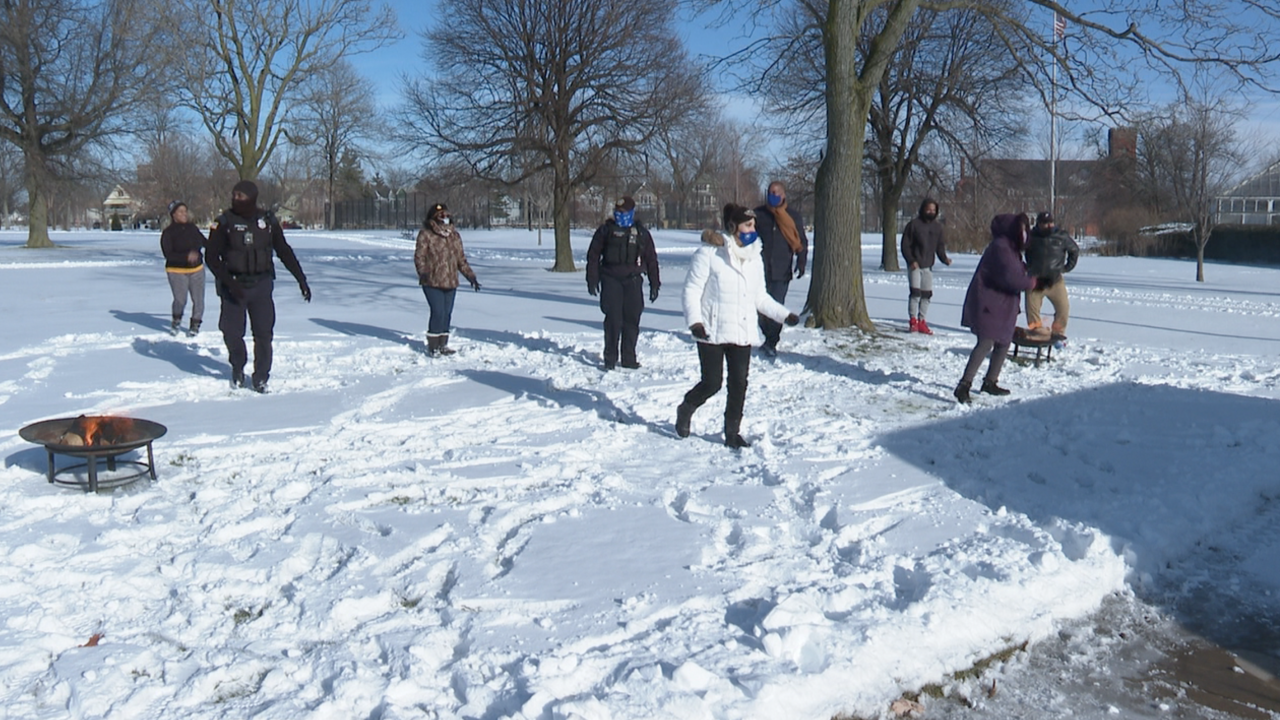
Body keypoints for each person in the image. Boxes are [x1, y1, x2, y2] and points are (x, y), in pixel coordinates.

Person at [676, 204, 799, 448]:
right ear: (733, 227)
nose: (753, 229)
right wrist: (695, 322)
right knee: (712, 383)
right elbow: (691, 290)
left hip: (741, 331)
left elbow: (760, 297)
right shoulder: (709, 254)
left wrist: (784, 315)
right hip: (710, 330)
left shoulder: (754, 257)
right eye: (748, 225)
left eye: (754, 225)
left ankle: (732, 432)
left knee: (739, 383)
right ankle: (687, 407)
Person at [205, 180, 311, 393]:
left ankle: (261, 376)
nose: (236, 199)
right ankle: (238, 365)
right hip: (233, 287)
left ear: (252, 197)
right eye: (234, 195)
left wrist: (300, 278)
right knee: (232, 333)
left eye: (241, 196)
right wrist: (229, 282)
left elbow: (284, 250)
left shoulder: (267, 221)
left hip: (261, 285)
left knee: (263, 334)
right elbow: (211, 257)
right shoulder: (224, 222)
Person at [954, 213, 1037, 404]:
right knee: (986, 342)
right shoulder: (1001, 247)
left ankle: (990, 381)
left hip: (1003, 304)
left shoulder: (1011, 248)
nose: (1024, 233)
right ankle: (964, 385)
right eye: (1022, 228)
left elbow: (1014, 271)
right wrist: (1031, 281)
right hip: (988, 303)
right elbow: (1011, 277)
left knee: (1004, 342)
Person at [586, 196, 660, 369]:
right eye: (618, 212)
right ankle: (610, 358)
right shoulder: (606, 231)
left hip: (633, 281)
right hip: (611, 279)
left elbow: (651, 259)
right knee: (613, 320)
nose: (621, 215)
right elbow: (593, 255)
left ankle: (629, 358)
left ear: (632, 213)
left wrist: (654, 282)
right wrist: (592, 278)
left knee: (632, 319)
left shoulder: (641, 233)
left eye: (624, 212)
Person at [415, 202, 480, 357]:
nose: (444, 217)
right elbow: (419, 257)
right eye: (440, 215)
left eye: (446, 214)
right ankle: (433, 347)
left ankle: (443, 344)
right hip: (432, 281)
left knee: (446, 313)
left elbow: (461, 259)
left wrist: (471, 276)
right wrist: (423, 272)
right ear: (433, 217)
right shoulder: (426, 234)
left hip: (450, 282)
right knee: (437, 312)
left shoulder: (455, 236)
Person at [753, 181, 808, 357]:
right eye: (770, 192)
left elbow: (801, 241)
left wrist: (801, 261)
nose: (773, 195)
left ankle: (771, 342)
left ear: (783, 195)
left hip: (782, 269)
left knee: (776, 307)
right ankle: (767, 335)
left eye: (776, 192)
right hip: (760, 269)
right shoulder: (758, 214)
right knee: (759, 308)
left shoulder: (792, 216)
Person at [1024, 211, 1080, 344]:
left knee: (1063, 309)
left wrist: (1066, 268)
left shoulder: (1061, 236)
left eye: (1051, 222)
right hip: (1035, 281)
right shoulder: (1030, 237)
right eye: (1045, 223)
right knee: (1032, 310)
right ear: (1038, 224)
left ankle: (1058, 335)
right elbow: (1016, 250)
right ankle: (1036, 333)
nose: (1049, 226)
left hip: (1055, 281)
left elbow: (1074, 250)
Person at [901, 197, 952, 334]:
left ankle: (922, 321)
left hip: (928, 266)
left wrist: (944, 259)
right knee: (915, 293)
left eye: (933, 210)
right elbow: (905, 245)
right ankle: (913, 321)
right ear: (923, 209)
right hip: (915, 266)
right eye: (928, 209)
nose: (930, 212)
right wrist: (911, 260)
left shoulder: (937, 227)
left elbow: (939, 247)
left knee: (926, 295)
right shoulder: (913, 225)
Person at [159, 200, 206, 336]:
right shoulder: (168, 232)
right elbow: (168, 254)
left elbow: (204, 242)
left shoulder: (192, 228)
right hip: (176, 270)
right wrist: (186, 256)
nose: (184, 214)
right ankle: (176, 320)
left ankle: (195, 324)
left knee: (198, 300)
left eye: (185, 211)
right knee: (180, 299)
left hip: (196, 269)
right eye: (180, 212)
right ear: (173, 215)